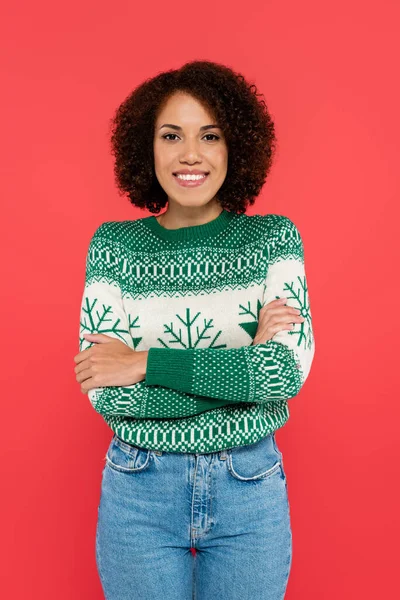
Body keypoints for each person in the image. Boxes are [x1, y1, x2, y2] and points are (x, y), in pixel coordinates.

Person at [74, 59, 315, 600]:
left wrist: (143, 363)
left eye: (210, 135)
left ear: (235, 147)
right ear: (148, 148)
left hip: (247, 489)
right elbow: (105, 394)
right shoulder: (115, 248)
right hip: (139, 492)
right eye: (171, 135)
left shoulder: (272, 241)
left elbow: (283, 372)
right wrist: (239, 378)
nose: (190, 154)